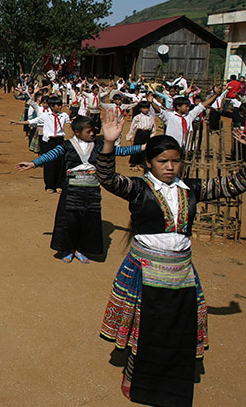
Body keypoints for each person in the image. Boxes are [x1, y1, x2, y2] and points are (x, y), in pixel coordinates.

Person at [95, 111, 246, 406]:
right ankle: (133, 376)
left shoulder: (192, 189)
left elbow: (235, 184)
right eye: (163, 161)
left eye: (175, 161)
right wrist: (109, 144)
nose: (169, 167)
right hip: (144, 270)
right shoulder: (138, 188)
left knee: (176, 328)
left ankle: (171, 380)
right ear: (149, 162)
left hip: (181, 273)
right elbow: (108, 178)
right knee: (145, 327)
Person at [16, 115, 143, 263]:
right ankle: (68, 248)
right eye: (88, 131)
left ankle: (81, 249)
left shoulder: (99, 145)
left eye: (93, 131)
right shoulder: (67, 145)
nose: (92, 134)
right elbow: (50, 155)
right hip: (71, 190)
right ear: (77, 132)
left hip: (92, 190)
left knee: (89, 220)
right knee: (69, 220)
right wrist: (33, 163)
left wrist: (143, 147)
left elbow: (120, 151)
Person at [11, 96, 70, 193]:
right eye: (57, 105)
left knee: (61, 163)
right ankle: (50, 186)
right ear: (52, 106)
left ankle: (59, 184)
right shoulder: (45, 116)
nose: (60, 107)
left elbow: (70, 123)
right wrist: (18, 122)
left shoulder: (64, 115)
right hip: (49, 141)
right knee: (49, 163)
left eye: (60, 105)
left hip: (60, 140)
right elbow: (32, 121)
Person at [126, 101, 155, 168]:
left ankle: (143, 162)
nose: (145, 110)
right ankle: (134, 161)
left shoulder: (151, 117)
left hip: (147, 133)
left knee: (145, 148)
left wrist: (152, 135)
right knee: (137, 147)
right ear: (140, 109)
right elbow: (133, 127)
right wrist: (130, 136)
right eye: (143, 108)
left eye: (147, 108)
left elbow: (153, 127)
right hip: (140, 133)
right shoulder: (137, 117)